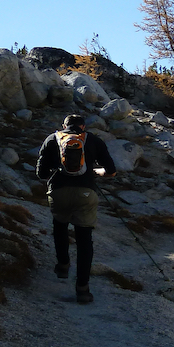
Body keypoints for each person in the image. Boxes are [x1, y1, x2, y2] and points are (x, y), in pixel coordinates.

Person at [35, 114, 116, 305]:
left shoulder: (52, 139)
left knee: (60, 225)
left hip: (59, 192)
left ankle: (63, 265)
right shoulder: (93, 140)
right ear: (83, 126)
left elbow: (40, 173)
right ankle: (82, 288)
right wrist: (96, 172)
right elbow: (111, 171)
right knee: (84, 239)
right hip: (85, 193)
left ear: (63, 125)